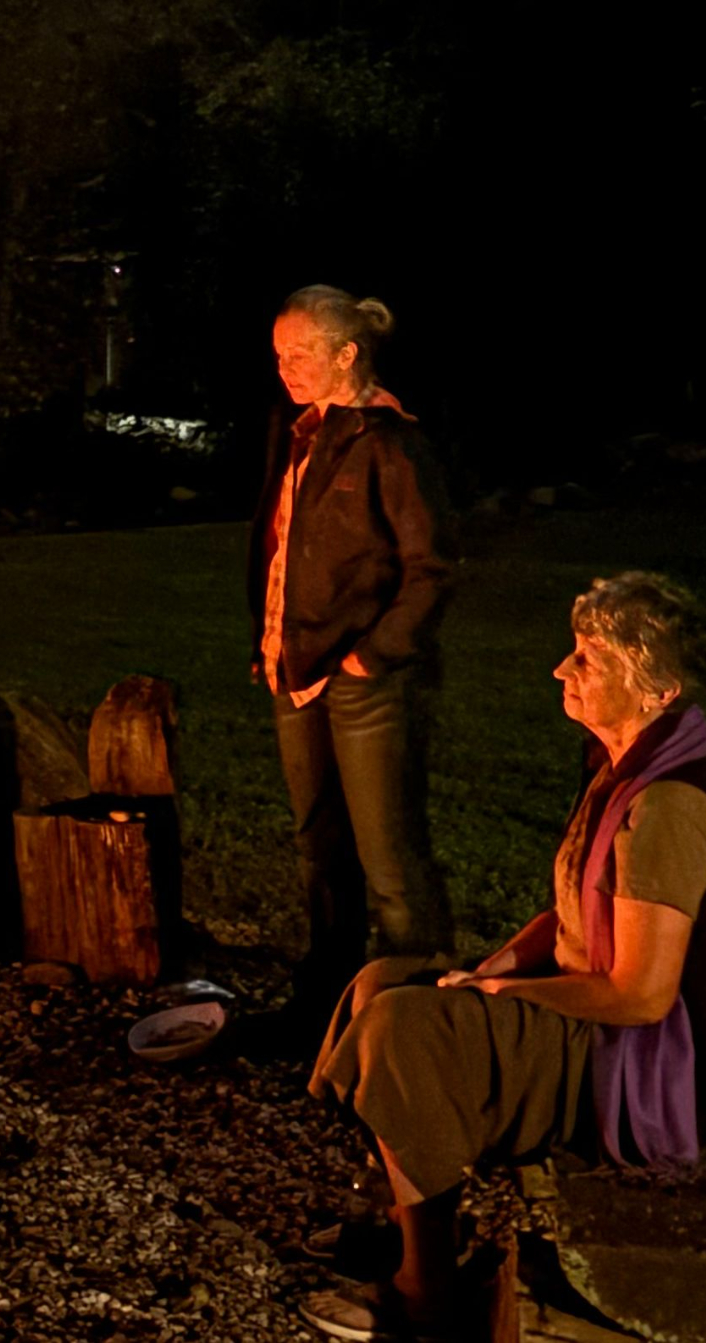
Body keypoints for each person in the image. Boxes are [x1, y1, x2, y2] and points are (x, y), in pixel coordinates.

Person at [300, 573, 706, 1338]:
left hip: (650, 1060)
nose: (561, 670)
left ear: (656, 689)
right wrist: (498, 969)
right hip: (602, 1007)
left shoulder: (668, 805)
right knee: (383, 981)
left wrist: (512, 1001)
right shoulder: (623, 767)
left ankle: (424, 1290)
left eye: (589, 659)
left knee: (408, 1030)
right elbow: (572, 906)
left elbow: (641, 996)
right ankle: (401, 1210)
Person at [250, 285, 458, 1043]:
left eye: (300, 354)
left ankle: (420, 1020)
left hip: (365, 682)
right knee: (320, 848)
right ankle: (329, 1004)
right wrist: (270, 643)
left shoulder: (388, 443)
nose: (286, 368)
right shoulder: (299, 433)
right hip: (293, 672)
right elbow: (281, 550)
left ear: (347, 353)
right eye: (278, 355)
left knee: (389, 856)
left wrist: (374, 655)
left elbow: (430, 568)